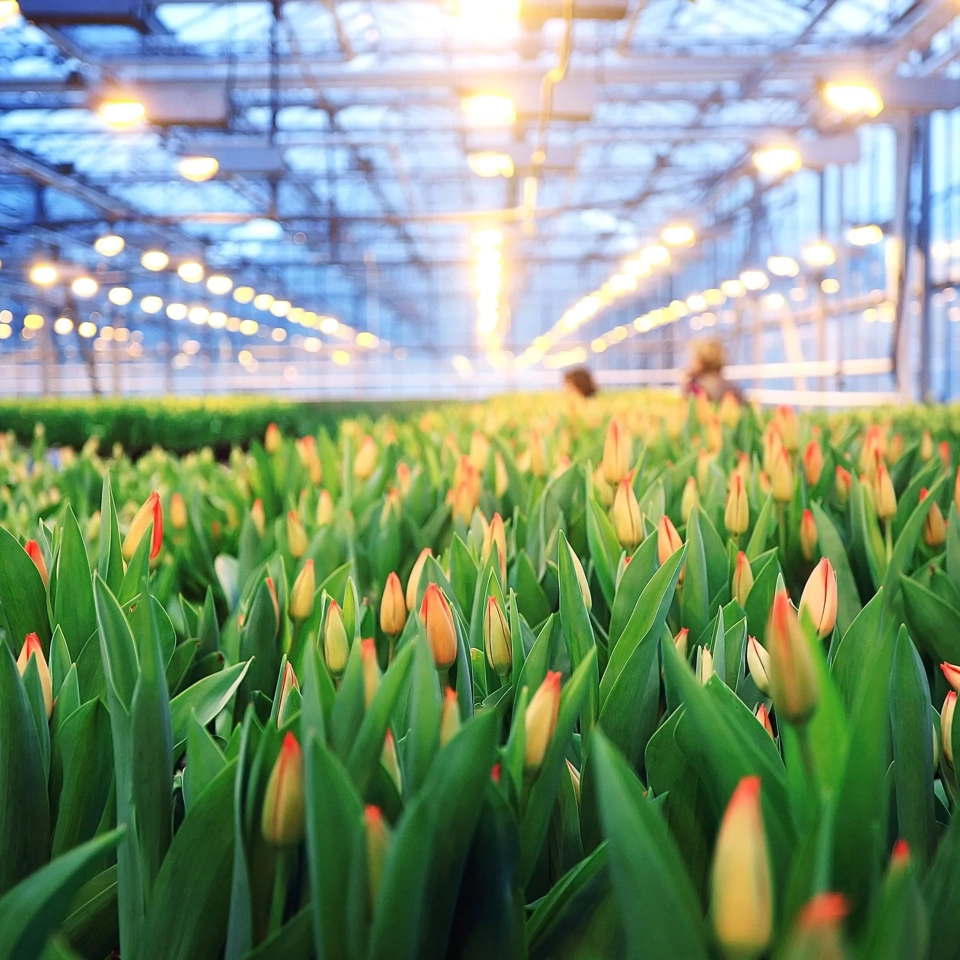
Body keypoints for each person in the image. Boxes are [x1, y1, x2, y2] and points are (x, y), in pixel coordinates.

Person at [684, 338, 744, 404]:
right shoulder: (733, 387)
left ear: (700, 361)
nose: (689, 362)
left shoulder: (697, 387)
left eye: (692, 358)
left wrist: (685, 385)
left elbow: (691, 410)